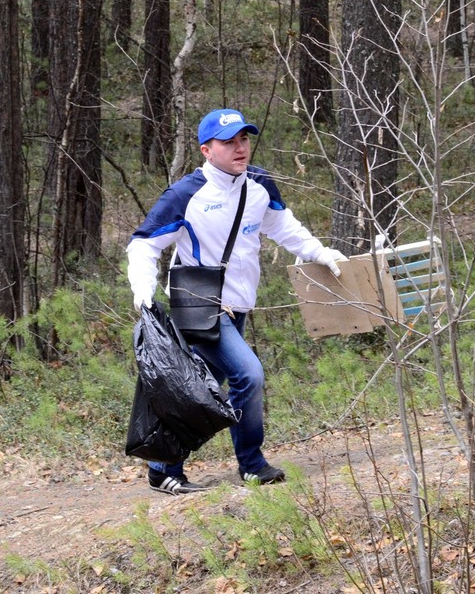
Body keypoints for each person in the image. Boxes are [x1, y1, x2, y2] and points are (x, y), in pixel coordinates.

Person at [126, 108, 346, 494]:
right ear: (207, 150)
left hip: (240, 304)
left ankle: (163, 468)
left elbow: (283, 227)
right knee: (249, 374)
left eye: (243, 139)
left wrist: (319, 252)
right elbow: (144, 245)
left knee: (197, 388)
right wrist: (144, 294)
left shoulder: (258, 183)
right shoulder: (186, 194)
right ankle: (252, 463)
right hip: (199, 305)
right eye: (228, 142)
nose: (239, 148)